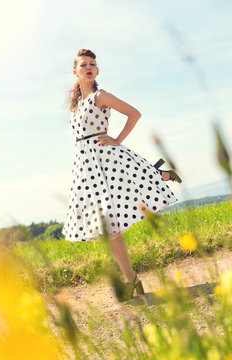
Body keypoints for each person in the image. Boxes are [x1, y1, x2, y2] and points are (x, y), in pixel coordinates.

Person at [62, 49, 181, 300]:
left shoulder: (100, 96)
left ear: (97, 70)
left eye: (92, 64)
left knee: (114, 219)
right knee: (109, 224)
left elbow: (134, 113)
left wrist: (117, 139)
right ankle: (161, 174)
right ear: (75, 72)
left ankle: (131, 280)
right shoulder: (75, 104)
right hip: (87, 168)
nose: (89, 67)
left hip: (105, 156)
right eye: (83, 65)